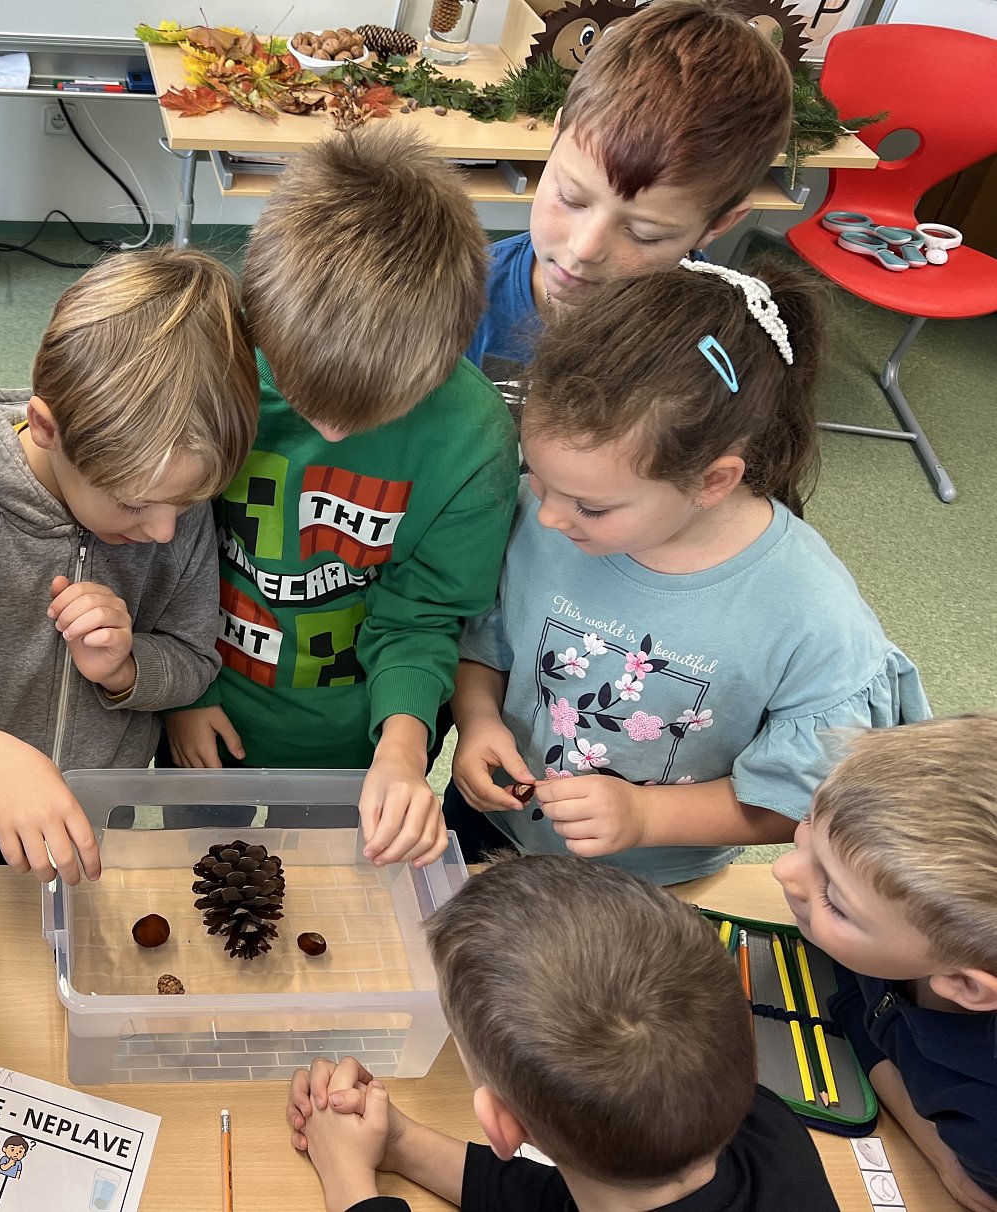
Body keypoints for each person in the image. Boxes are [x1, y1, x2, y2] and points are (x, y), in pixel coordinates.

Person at [447, 260, 929, 885]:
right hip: (492, 827)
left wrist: (645, 816)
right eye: (538, 477)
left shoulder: (811, 616)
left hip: (658, 878)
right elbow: (483, 645)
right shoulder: (540, 519)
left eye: (591, 506)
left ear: (713, 481)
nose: (548, 516)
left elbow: (800, 799)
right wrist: (478, 721)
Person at [163, 125, 519, 869]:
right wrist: (184, 694)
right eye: (303, 398)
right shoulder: (209, 372)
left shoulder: (471, 439)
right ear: (260, 320)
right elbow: (159, 554)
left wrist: (402, 746)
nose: (330, 431)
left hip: (362, 741)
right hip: (198, 705)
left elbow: (423, 615)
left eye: (370, 415)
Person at [0, 248, 260, 883]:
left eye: (188, 504)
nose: (164, 531)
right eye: (135, 503)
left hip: (101, 821)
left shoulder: (172, 508)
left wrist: (126, 669)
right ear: (47, 428)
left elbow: (193, 657)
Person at [286, 854, 838, 1212]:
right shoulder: (769, 1129)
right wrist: (402, 1144)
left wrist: (349, 1185)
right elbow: (570, 1197)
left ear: (502, 1127)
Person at [467, 0, 793, 373]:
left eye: (644, 234)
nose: (584, 249)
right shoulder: (465, 295)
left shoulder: (711, 343)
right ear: (556, 137)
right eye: (571, 197)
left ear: (718, 224)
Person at [774, 716, 997, 1210]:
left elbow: (973, 1187)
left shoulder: (987, 1127)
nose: (782, 869)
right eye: (810, 822)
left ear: (965, 984)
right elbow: (856, 993)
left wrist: (944, 1155)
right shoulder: (900, 947)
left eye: (834, 898)